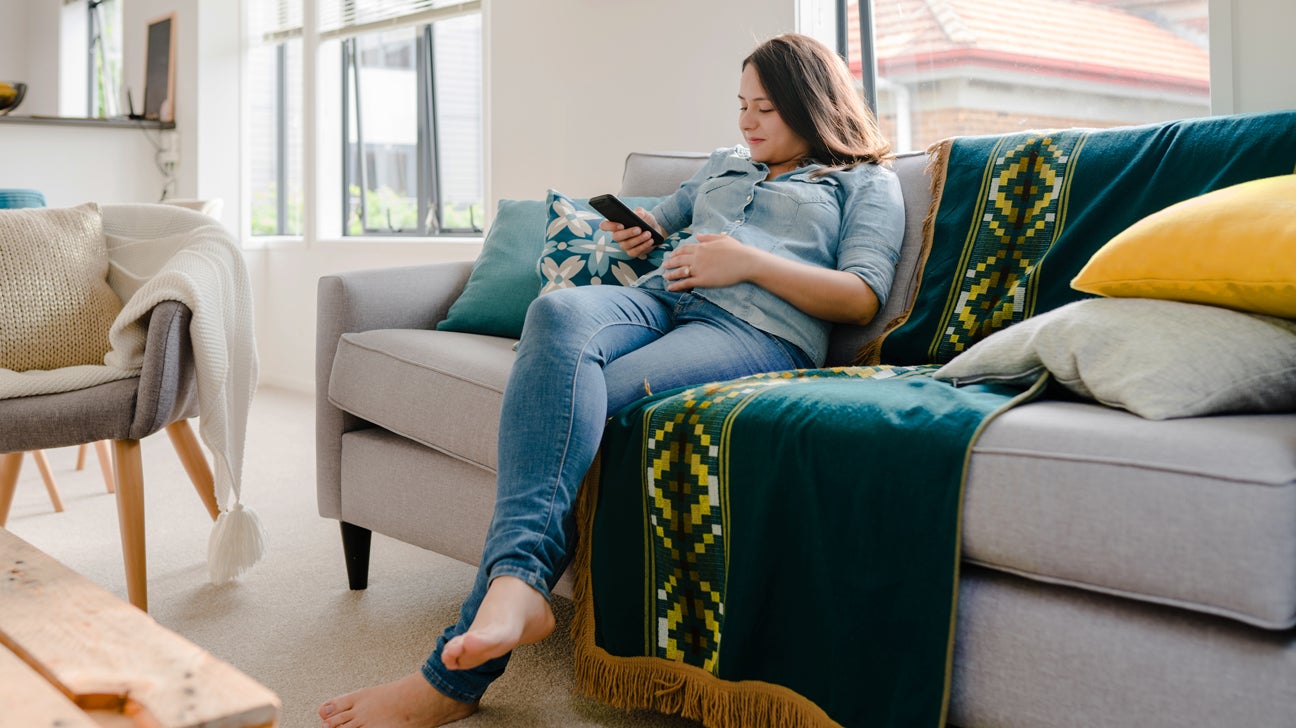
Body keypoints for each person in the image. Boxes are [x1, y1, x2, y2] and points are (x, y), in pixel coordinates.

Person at [318, 31, 905, 728]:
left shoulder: (866, 181)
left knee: (580, 413)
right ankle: (517, 587)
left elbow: (861, 295)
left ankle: (457, 671)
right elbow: (664, 220)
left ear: (814, 106)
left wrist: (746, 263)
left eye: (766, 109)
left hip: (751, 331)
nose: (746, 122)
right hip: (660, 298)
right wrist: (646, 230)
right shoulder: (725, 163)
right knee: (559, 311)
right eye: (741, 104)